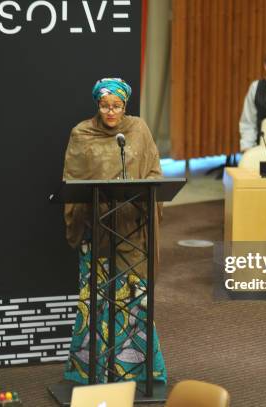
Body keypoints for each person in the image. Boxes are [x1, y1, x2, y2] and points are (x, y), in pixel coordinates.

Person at [62, 78, 167, 384]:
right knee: (94, 302)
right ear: (97, 104)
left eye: (116, 106)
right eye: (105, 105)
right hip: (97, 232)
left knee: (134, 303)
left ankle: (132, 372)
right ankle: (88, 373)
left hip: (132, 231)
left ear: (125, 106)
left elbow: (154, 171)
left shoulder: (139, 130)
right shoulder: (82, 134)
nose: (110, 112)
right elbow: (72, 181)